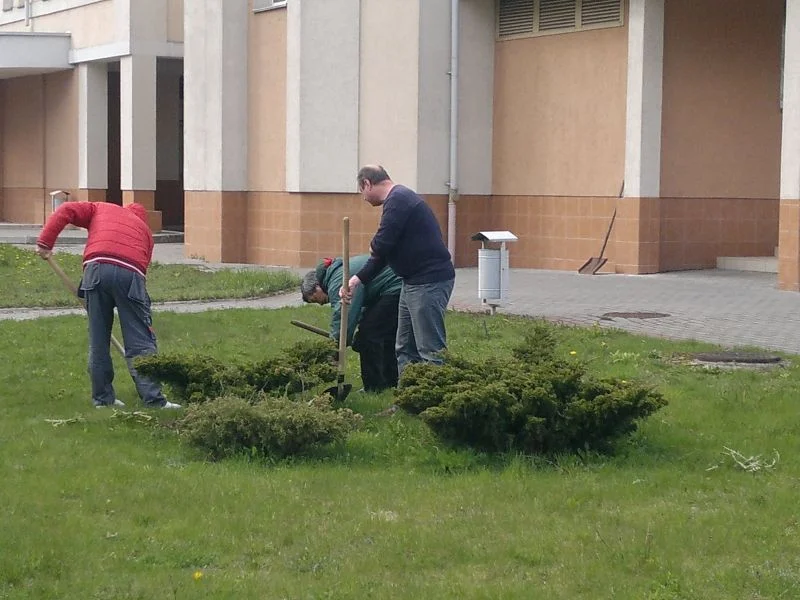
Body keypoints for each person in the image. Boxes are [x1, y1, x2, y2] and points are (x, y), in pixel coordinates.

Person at [36, 201, 180, 410]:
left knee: (99, 339)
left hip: (95, 269)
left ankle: (103, 399)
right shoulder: (145, 232)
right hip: (130, 274)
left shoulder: (100, 208)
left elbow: (66, 209)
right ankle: (154, 400)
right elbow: (141, 272)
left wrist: (45, 242)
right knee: (140, 339)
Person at [342, 165, 455, 376]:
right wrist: (356, 280)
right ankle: (408, 394)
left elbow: (381, 245)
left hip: (429, 282)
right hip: (411, 282)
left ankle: (437, 394)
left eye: (361, 191)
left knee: (430, 349)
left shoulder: (399, 200)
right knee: (405, 347)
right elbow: (383, 254)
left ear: (367, 183)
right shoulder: (397, 200)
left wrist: (375, 246)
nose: (363, 198)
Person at [301, 254, 401, 392]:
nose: (319, 303)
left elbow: (343, 316)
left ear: (317, 287)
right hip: (396, 284)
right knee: (384, 336)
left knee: (368, 337)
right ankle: (391, 381)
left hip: (394, 287)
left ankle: (374, 387)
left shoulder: (337, 281)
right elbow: (359, 309)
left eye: (314, 299)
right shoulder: (338, 273)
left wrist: (335, 348)